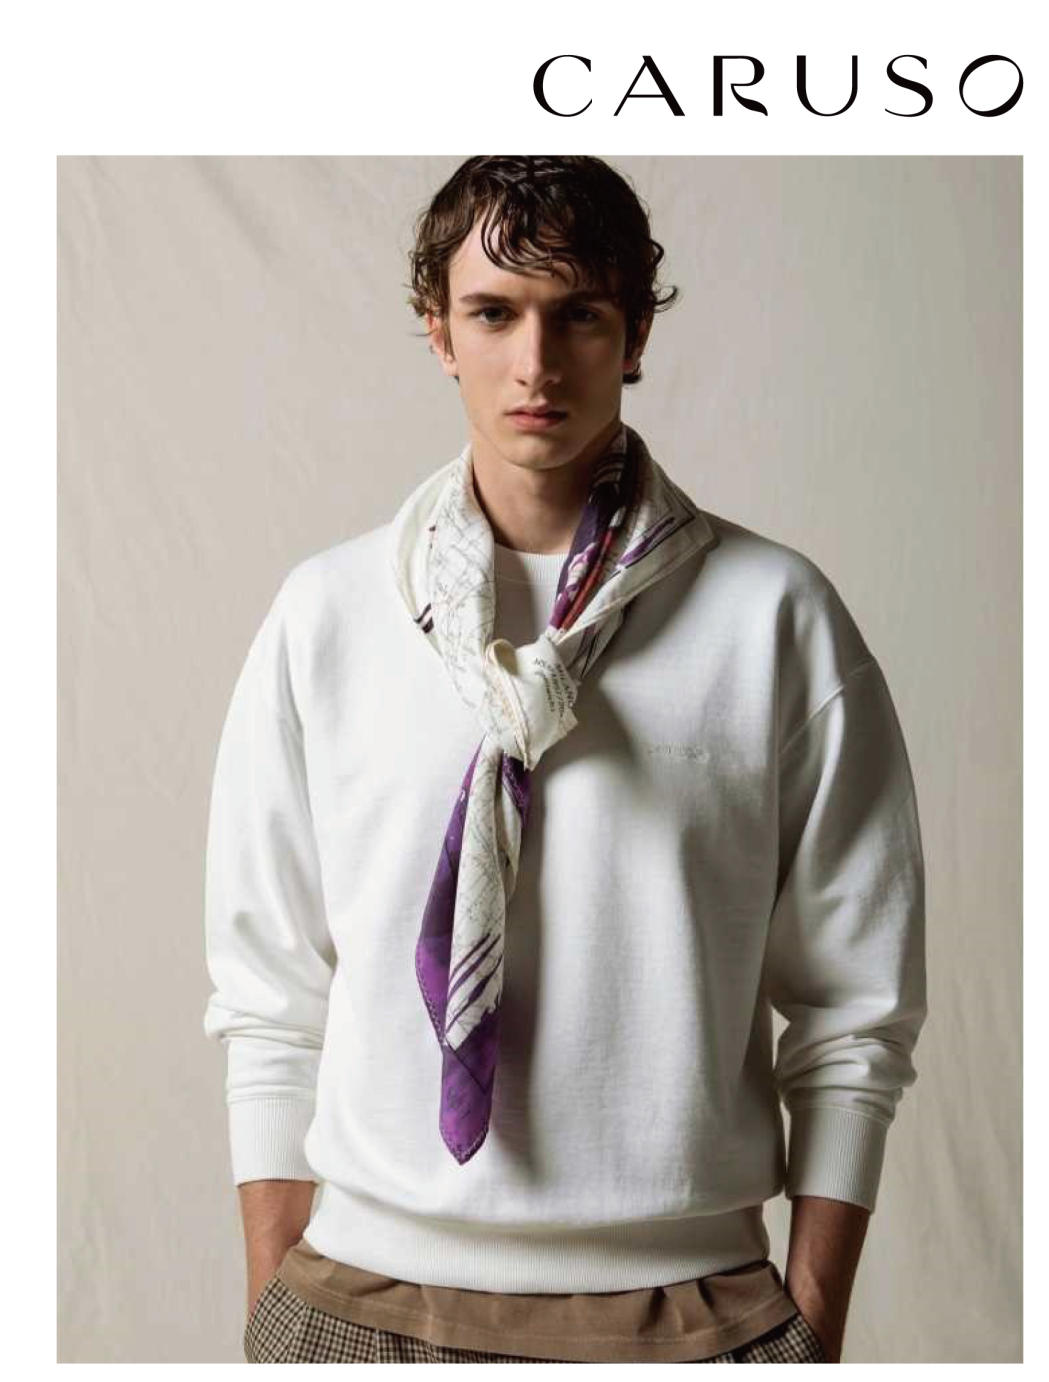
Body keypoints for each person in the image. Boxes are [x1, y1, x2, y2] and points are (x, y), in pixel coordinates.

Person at [203, 154, 928, 1365]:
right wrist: (276, 1299)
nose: (535, 362)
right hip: (362, 1301)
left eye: (578, 313)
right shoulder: (327, 616)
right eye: (494, 313)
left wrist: (809, 1320)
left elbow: (856, 1003)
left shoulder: (772, 617)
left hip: (688, 1311)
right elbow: (269, 989)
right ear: (439, 331)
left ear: (634, 333)